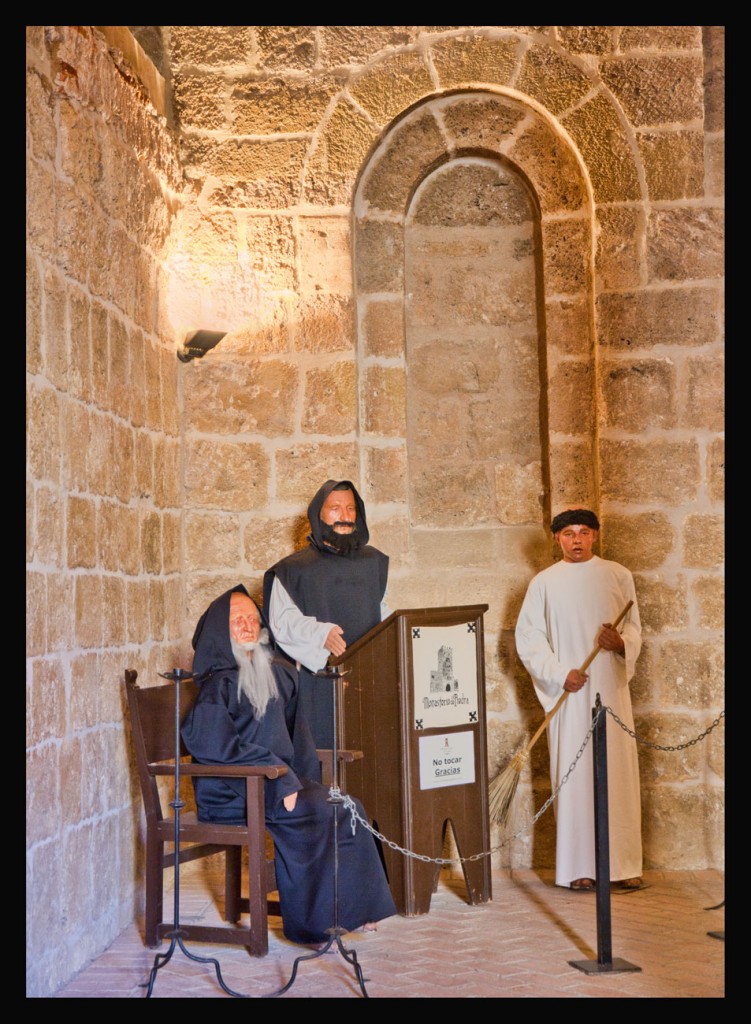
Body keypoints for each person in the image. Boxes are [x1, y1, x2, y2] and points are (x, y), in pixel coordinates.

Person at [180, 584, 397, 946]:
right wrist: (280, 785)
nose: (248, 626)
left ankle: (351, 911)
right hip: (233, 791)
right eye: (238, 621)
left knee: (346, 805)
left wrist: (303, 781)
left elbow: (298, 738)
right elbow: (215, 746)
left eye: (253, 619)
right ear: (221, 629)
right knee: (321, 812)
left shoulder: (280, 675)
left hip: (277, 785)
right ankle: (315, 923)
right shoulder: (216, 687)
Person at [514, 508, 643, 892]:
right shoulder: (544, 583)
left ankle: (622, 865)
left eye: (584, 532)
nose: (576, 540)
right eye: (568, 533)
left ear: (595, 536)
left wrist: (619, 643)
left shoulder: (619, 575)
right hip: (571, 694)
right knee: (574, 774)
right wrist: (560, 674)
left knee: (617, 774)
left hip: (611, 691)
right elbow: (529, 639)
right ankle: (578, 868)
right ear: (557, 539)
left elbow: (634, 628)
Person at [263, 479, 389, 752]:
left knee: (370, 753)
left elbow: (385, 611)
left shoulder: (375, 563)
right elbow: (281, 621)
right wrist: (321, 634)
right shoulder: (293, 570)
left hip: (369, 680)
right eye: (335, 508)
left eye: (350, 508)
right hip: (318, 681)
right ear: (318, 514)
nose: (344, 516)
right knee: (323, 755)